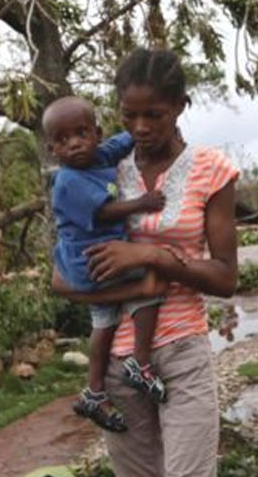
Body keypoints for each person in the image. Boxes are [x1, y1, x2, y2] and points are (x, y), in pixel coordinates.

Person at [52, 48, 238, 477]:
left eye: (152, 114)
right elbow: (62, 279)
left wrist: (149, 255)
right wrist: (135, 288)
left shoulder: (211, 170)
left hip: (181, 358)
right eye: (128, 115)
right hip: (118, 368)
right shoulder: (100, 170)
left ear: (181, 106)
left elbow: (225, 277)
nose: (139, 127)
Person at [47, 96, 168, 433]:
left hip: (91, 259)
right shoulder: (68, 180)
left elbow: (121, 142)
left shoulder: (99, 155)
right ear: (52, 149)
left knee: (104, 321)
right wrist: (141, 202)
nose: (74, 143)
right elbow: (102, 212)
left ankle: (94, 391)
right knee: (150, 281)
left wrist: (138, 129)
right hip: (93, 262)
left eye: (81, 133)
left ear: (97, 133)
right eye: (62, 139)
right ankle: (140, 363)